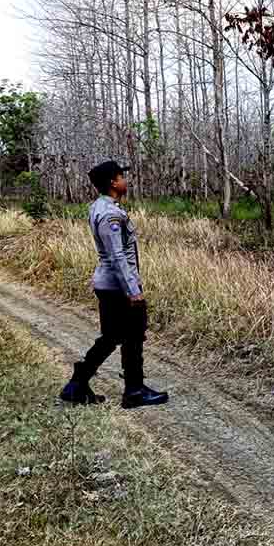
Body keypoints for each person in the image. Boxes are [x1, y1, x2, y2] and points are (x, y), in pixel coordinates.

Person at [59, 160, 169, 409]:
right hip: (116, 285)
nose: (125, 181)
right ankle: (134, 391)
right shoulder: (109, 213)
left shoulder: (101, 207)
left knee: (112, 337)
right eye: (121, 177)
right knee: (132, 336)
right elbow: (117, 255)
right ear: (112, 182)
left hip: (110, 284)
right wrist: (133, 290)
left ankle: (77, 385)